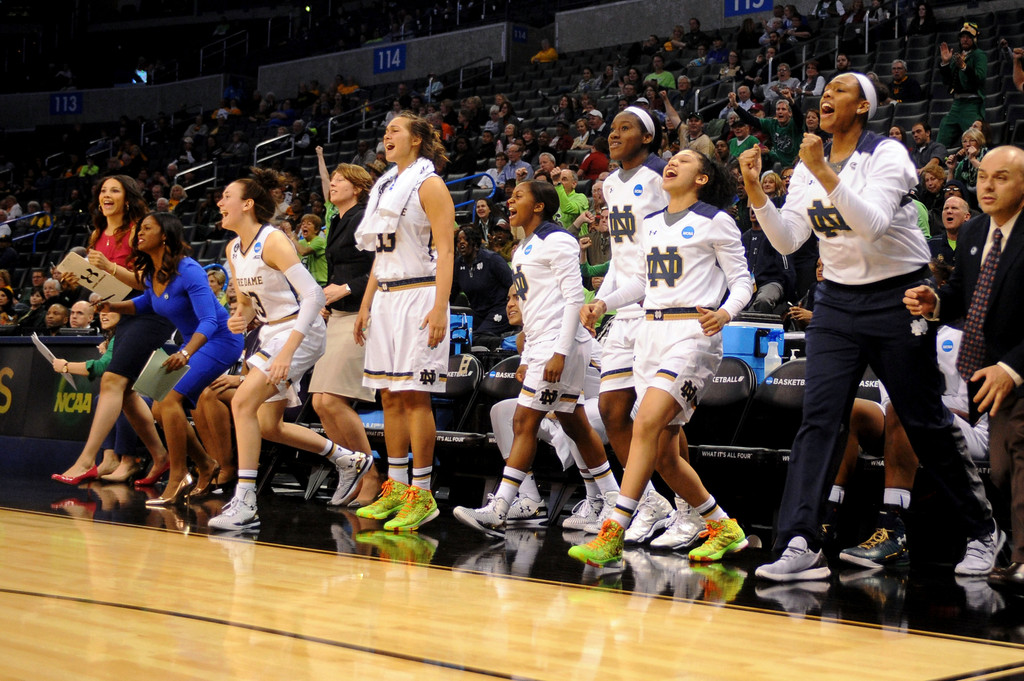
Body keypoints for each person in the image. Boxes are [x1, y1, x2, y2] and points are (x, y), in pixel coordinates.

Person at [740, 73, 998, 582]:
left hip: (898, 296)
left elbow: (874, 222)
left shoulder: (888, 155)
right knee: (818, 418)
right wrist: (756, 193)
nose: (826, 96)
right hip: (836, 301)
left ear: (863, 106)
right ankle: (800, 541)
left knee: (923, 418)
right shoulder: (808, 168)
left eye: (839, 89)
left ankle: (983, 528)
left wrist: (822, 171)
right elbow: (790, 240)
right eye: (825, 90)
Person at [570, 149, 754, 567]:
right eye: (672, 158)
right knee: (665, 455)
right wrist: (603, 303)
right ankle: (723, 525)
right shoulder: (650, 225)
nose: (673, 162)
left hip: (693, 332)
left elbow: (743, 280)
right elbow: (640, 281)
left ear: (703, 178)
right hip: (650, 332)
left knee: (646, 422)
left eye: (686, 161)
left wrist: (726, 312)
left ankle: (613, 530)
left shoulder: (716, 220)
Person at [208, 169, 371, 531]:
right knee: (268, 424)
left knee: (242, 403)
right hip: (271, 332)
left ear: (247, 204)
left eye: (227, 196)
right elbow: (251, 304)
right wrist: (241, 316)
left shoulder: (274, 240)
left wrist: (287, 353)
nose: (220, 203)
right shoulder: (234, 249)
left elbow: (313, 294)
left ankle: (246, 500)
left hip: (301, 329)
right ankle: (345, 459)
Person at [452, 181, 613, 539]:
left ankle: (500, 507)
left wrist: (560, 350)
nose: (509, 201)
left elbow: (573, 299)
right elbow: (533, 300)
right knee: (575, 425)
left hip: (561, 342)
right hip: (542, 341)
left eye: (519, 196)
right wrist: (526, 339)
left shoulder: (559, 240)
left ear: (539, 206)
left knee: (524, 420)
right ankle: (615, 501)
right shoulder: (523, 247)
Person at [904, 146, 1024, 594]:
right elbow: (959, 294)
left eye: (1003, 177)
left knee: (1017, 452)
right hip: (984, 374)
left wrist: (1012, 367)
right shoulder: (974, 230)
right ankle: (1008, 545)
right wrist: (934, 302)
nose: (988, 186)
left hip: (1015, 368)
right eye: (983, 177)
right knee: (1001, 469)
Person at [577, 107, 680, 543]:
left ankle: (686, 508)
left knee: (663, 423)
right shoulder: (611, 183)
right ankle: (649, 500)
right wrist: (604, 299)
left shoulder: (662, 175)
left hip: (660, 304)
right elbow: (623, 255)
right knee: (611, 409)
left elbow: (668, 246)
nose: (614, 134)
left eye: (625, 128)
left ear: (648, 137)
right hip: (626, 303)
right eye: (613, 128)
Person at [351, 112, 455, 531]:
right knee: (389, 397)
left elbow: (446, 251)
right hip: (388, 297)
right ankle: (394, 487)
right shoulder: (384, 186)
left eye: (395, 129)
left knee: (415, 397)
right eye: (386, 130)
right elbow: (380, 254)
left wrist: (440, 306)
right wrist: (365, 303)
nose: (386, 135)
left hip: (422, 293)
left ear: (416, 139)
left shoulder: (430, 184)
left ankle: (422, 494)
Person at [100, 212, 242, 505]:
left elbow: (209, 321)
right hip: (193, 342)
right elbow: (145, 304)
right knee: (157, 410)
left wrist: (186, 352)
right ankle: (205, 464)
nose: (139, 233)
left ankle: (179, 476)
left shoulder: (189, 271)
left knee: (168, 400)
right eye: (139, 229)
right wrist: (111, 305)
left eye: (146, 228)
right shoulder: (153, 273)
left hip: (219, 339)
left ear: (165, 235)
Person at [51, 176, 172, 488]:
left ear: (127, 198)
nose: (107, 195)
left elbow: (148, 281)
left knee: (112, 380)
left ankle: (86, 460)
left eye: (114, 190)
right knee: (127, 392)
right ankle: (160, 456)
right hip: (123, 314)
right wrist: (77, 278)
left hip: (151, 311)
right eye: (103, 190)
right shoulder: (97, 235)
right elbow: (110, 288)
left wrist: (107, 266)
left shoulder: (138, 232)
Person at [308, 163, 379, 507]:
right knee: (321, 402)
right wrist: (326, 295)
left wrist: (346, 288)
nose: (333, 184)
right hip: (337, 314)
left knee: (334, 400)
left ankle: (371, 476)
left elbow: (383, 267)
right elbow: (338, 269)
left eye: (340, 181)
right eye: (332, 180)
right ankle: (349, 469)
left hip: (361, 313)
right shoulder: (337, 220)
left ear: (359, 187)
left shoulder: (367, 216)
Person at [451, 225, 513, 348]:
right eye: (458, 241)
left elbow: (512, 285)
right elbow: (451, 294)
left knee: (476, 338)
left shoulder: (492, 259)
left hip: (499, 309)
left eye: (466, 239)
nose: (461, 243)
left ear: (474, 243)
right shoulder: (458, 265)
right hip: (478, 313)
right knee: (460, 337)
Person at [937, 23, 987, 148]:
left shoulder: (979, 54)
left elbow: (980, 77)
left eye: (968, 37)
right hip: (957, 103)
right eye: (962, 37)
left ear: (974, 39)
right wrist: (945, 63)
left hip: (972, 104)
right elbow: (947, 81)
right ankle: (936, 163)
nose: (965, 39)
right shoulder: (958, 56)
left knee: (974, 139)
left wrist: (964, 67)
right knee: (944, 129)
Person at [290, 213, 328, 286]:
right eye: (303, 224)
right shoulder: (301, 243)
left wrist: (291, 236)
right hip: (307, 283)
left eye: (309, 224)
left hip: (322, 283)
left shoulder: (320, 241)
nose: (304, 225)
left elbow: (303, 252)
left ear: (316, 230)